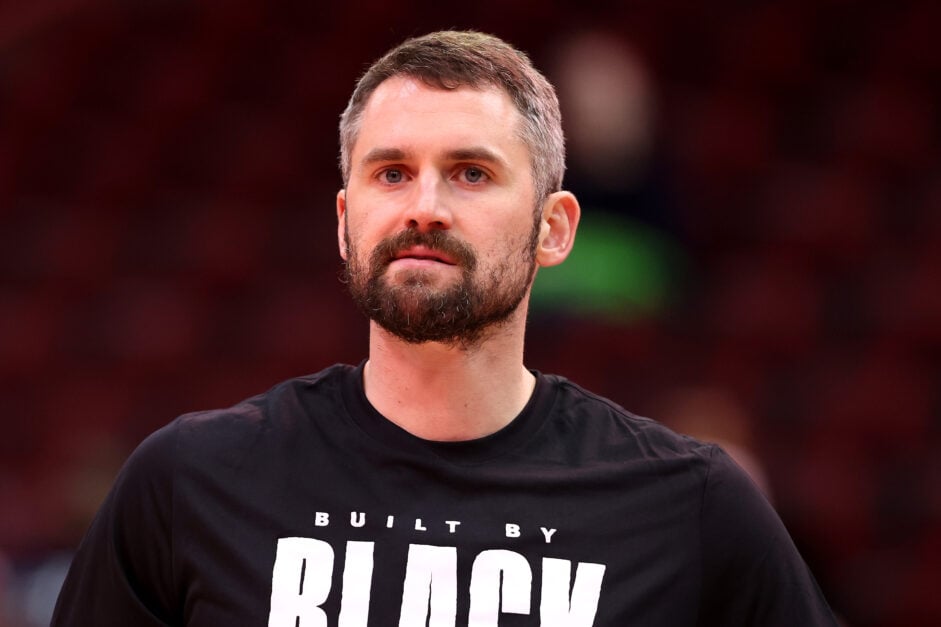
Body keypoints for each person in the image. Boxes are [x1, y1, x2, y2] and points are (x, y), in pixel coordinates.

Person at [51, 30, 837, 626]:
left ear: (552, 229)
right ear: (343, 219)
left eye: (471, 173)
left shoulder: (689, 506)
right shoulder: (188, 482)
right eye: (390, 172)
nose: (423, 204)